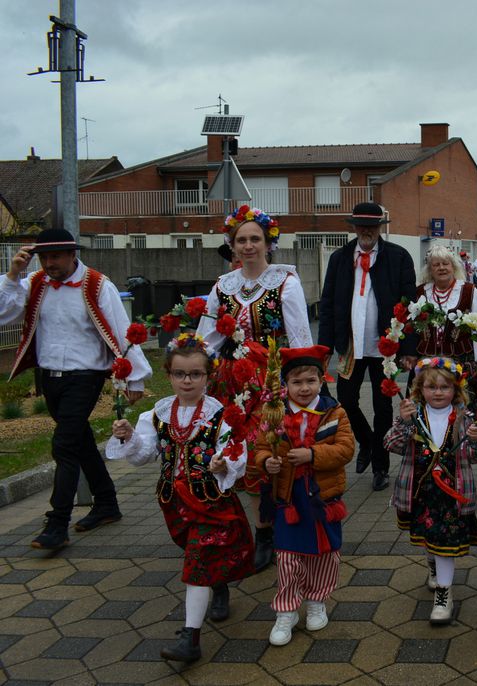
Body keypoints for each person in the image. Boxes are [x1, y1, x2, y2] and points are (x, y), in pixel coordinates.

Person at [0, 228, 152, 550]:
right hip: (49, 375)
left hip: (85, 375)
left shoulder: (98, 284)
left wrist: (135, 377)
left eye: (56, 256)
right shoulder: (37, 282)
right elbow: (4, 314)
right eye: (44, 257)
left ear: (73, 254)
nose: (49, 263)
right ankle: (107, 503)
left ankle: (57, 524)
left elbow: (123, 330)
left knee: (65, 445)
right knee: (80, 441)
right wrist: (13, 275)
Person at [107, 333, 253, 663]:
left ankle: (191, 639)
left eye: (195, 374)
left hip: (211, 502)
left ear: (208, 376)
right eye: (179, 374)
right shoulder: (156, 415)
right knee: (195, 556)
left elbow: (236, 451)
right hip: (174, 502)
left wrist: (222, 462)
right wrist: (129, 436)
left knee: (197, 561)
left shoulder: (221, 415)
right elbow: (145, 455)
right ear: (169, 375)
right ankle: (218, 587)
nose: (187, 381)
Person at [198, 205, 313, 573]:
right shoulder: (223, 286)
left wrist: (303, 386)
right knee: (238, 452)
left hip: (271, 381)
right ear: (232, 245)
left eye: (255, 239)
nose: (248, 246)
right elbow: (208, 338)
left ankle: (275, 526)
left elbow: (298, 339)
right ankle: (258, 530)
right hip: (230, 383)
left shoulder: (285, 283)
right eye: (241, 240)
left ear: (268, 243)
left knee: (272, 452)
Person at [255, 345, 354, 647]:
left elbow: (346, 449)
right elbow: (259, 447)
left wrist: (313, 453)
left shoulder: (334, 412)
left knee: (325, 555)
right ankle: (286, 611)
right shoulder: (274, 413)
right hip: (288, 499)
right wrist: (266, 462)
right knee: (287, 557)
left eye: (311, 381)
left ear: (322, 381)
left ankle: (316, 601)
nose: (304, 388)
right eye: (296, 382)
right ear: (285, 385)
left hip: (322, 498)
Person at [319, 202, 417, 492]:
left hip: (385, 346)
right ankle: (369, 443)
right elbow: (327, 305)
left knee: (382, 406)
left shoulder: (398, 257)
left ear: (379, 229)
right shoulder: (339, 258)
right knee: (346, 402)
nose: (366, 231)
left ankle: (381, 468)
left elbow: (409, 306)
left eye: (371, 226)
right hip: (350, 345)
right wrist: (323, 349)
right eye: (361, 226)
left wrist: (408, 347)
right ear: (353, 227)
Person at [383, 358, 477, 625]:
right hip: (421, 491)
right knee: (430, 539)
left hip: (452, 493)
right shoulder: (414, 414)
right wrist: (405, 424)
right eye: (431, 387)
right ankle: (432, 566)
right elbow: (391, 444)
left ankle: (444, 593)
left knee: (445, 545)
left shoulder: (465, 418)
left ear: (455, 390)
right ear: (419, 388)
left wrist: (476, 440)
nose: (438, 392)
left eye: (445, 387)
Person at [413, 245, 477, 367]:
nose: (441, 268)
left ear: (453, 266)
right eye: (436, 265)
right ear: (430, 269)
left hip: (461, 360)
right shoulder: (420, 292)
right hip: (425, 362)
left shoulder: (469, 291)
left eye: (446, 263)